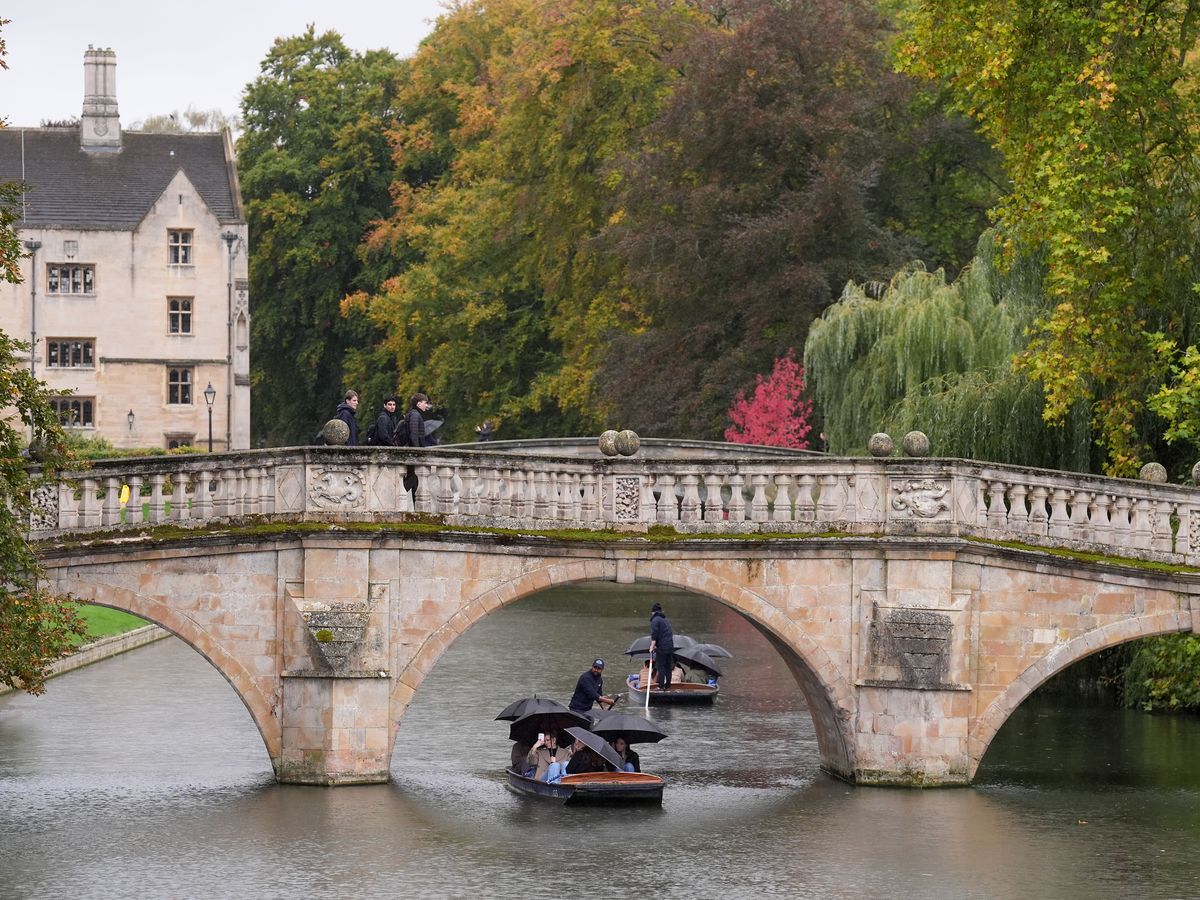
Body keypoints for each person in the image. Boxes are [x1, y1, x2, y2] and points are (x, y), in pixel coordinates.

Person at [649, 602, 675, 693]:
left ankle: (661, 687)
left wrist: (652, 646)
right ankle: (668, 685)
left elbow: (654, 634)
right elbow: (665, 634)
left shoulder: (655, 620)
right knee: (668, 667)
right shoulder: (665, 620)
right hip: (670, 646)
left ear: (653, 612)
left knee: (661, 667)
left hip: (662, 647)